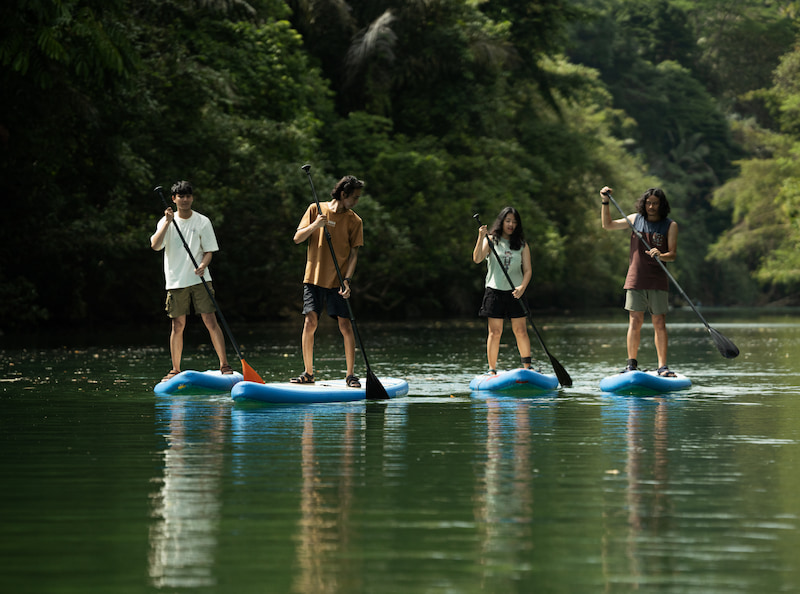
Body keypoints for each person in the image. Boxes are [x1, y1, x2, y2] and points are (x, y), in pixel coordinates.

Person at [150, 180, 232, 381]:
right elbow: (155, 245)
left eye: (188, 196)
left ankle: (224, 365)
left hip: (199, 279)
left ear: (192, 198)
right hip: (176, 281)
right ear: (174, 199)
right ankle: (175, 369)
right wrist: (168, 222)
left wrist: (203, 265)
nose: (184, 199)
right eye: (181, 196)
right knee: (177, 325)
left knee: (210, 320)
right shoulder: (166, 221)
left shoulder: (202, 221)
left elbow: (209, 250)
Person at [291, 175, 365, 387]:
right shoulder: (316, 209)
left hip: (338, 282)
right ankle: (308, 373)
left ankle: (350, 375)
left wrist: (348, 280)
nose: (357, 201)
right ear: (343, 194)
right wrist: (316, 225)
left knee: (345, 325)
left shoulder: (355, 221)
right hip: (313, 278)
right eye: (355, 197)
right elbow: (297, 238)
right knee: (310, 321)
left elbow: (354, 255)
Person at [600, 185, 679, 376]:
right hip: (636, 278)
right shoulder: (635, 219)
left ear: (662, 205)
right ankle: (631, 365)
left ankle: (662, 366)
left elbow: (673, 255)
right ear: (644, 204)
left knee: (659, 322)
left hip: (658, 279)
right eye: (648, 203)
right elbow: (608, 225)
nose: (651, 206)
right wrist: (605, 201)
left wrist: (661, 254)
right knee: (635, 321)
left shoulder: (670, 225)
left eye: (655, 203)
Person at [472, 206, 534, 374]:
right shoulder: (491, 239)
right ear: (501, 221)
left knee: (520, 330)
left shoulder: (521, 244)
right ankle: (492, 369)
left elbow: (528, 270)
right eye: (508, 221)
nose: (511, 224)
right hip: (494, 291)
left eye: (514, 222)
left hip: (516, 292)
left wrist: (522, 287)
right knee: (495, 332)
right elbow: (477, 258)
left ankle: (528, 367)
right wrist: (481, 237)